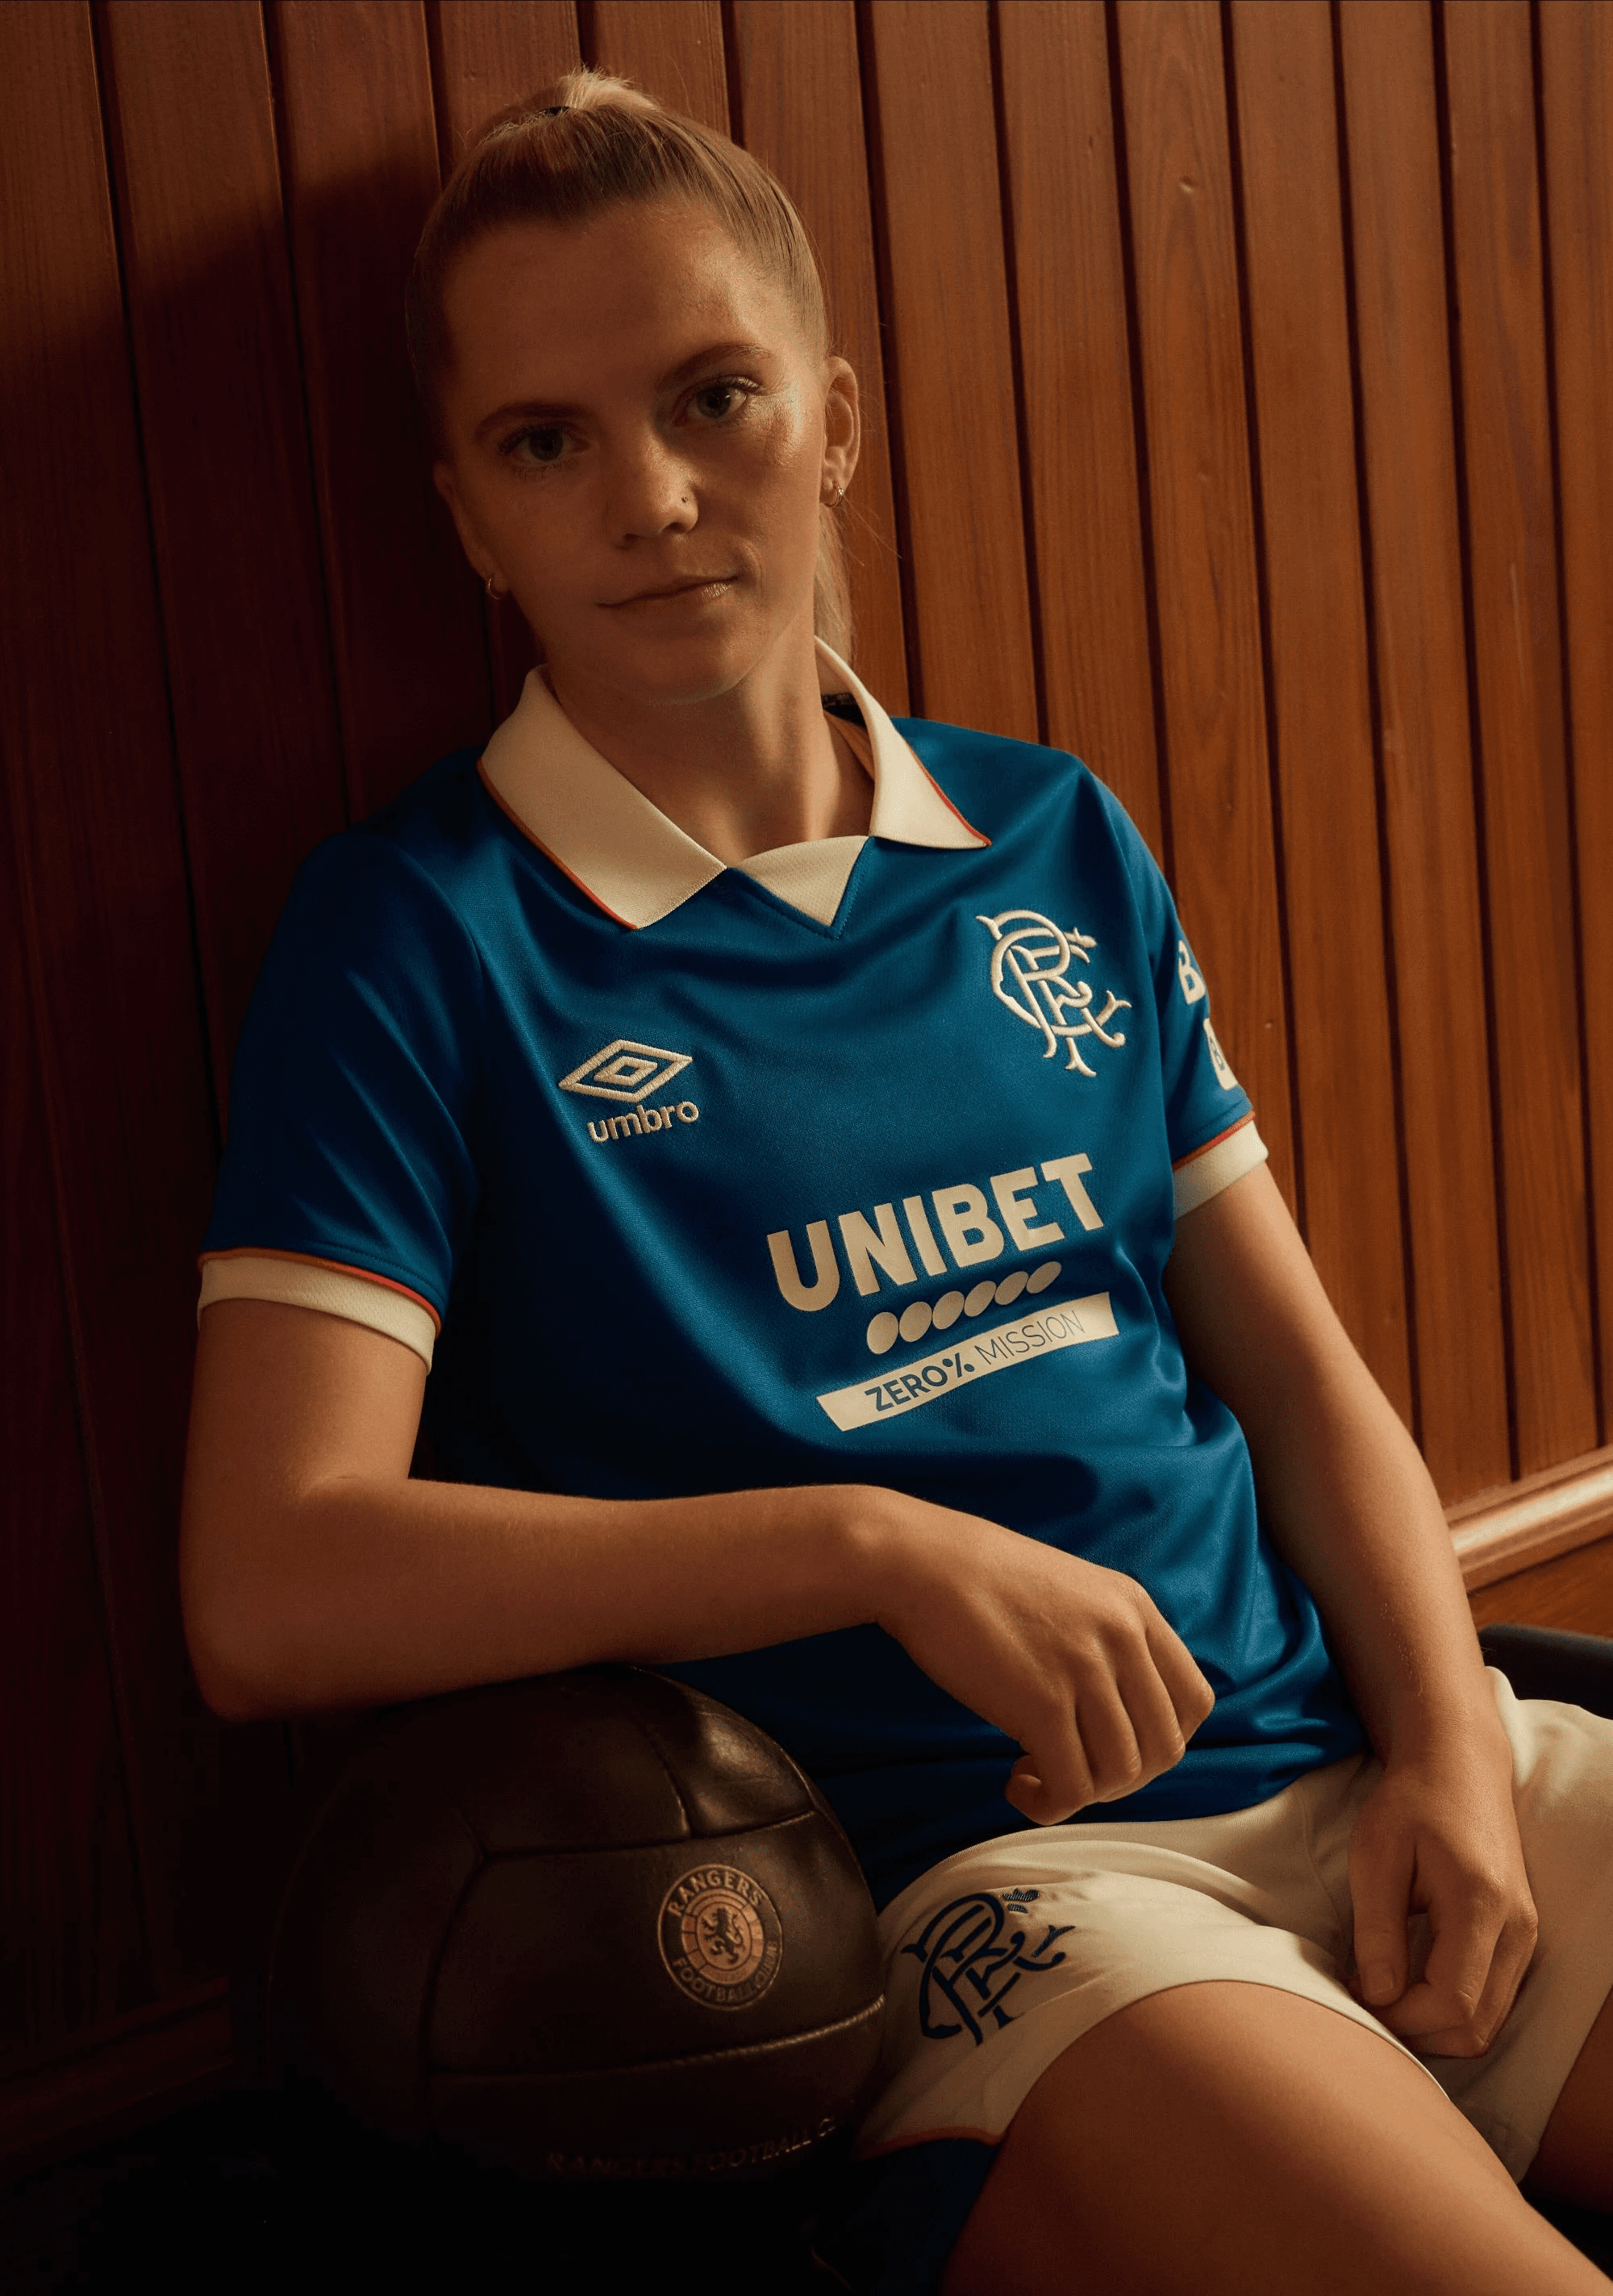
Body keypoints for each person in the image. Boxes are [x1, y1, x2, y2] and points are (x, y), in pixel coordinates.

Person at [179, 69, 1613, 2296]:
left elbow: (1302, 1377)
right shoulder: (420, 936)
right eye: (547, 441)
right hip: (1004, 1897)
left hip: (1374, 1759)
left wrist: (1445, 1750)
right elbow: (270, 1584)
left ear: (833, 418)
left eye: (714, 396)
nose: (653, 496)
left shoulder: (1049, 834)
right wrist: (868, 1543)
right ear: (466, 514)